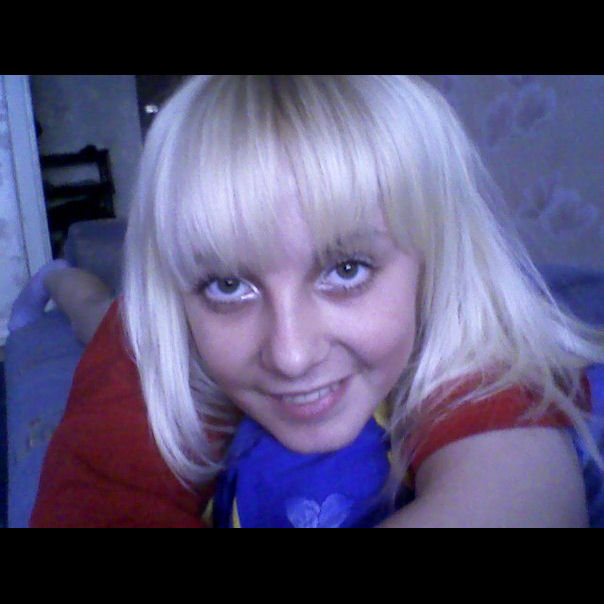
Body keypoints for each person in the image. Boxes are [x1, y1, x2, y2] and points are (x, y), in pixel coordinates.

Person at [28, 75, 604, 528]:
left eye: (346, 270)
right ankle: (65, 281)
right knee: (97, 312)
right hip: (127, 319)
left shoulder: (461, 319)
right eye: (228, 284)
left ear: (436, 262)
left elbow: (517, 501)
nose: (292, 355)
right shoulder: (151, 338)